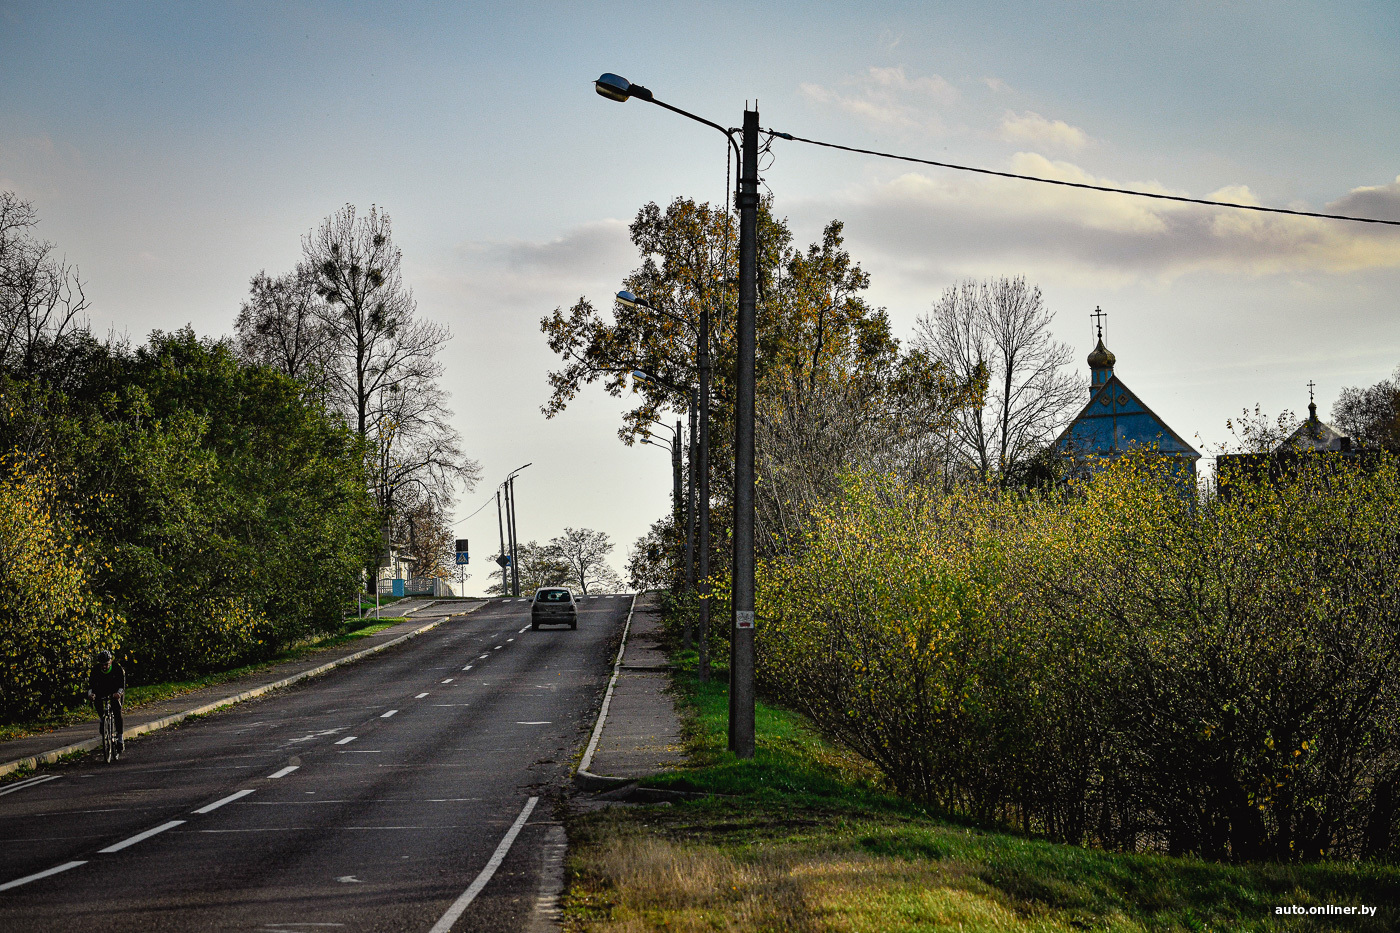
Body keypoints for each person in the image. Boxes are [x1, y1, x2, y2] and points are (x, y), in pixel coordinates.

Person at [87, 650, 126, 758]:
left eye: (106, 664)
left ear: (111, 662)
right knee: (97, 702)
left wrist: (118, 694)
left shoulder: (118, 669)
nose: (104, 667)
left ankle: (120, 738)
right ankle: (102, 720)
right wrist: (91, 694)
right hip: (101, 690)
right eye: (102, 665)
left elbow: (122, 686)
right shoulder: (95, 671)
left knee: (117, 710)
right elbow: (90, 686)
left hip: (115, 690)